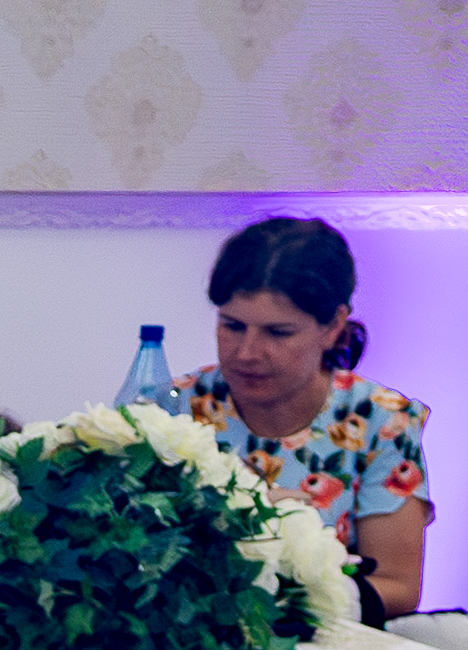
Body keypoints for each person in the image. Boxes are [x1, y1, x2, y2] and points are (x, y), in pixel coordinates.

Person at [178, 214, 435, 618]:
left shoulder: (380, 423)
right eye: (232, 326)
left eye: (278, 333)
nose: (247, 352)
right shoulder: (175, 410)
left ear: (333, 326)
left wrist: (281, 600)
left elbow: (397, 585)